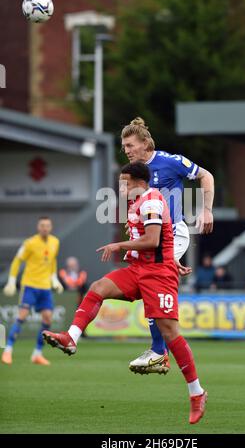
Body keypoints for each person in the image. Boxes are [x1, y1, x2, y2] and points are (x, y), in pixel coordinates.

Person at [43, 162, 208, 425]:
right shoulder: (136, 202)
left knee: (170, 332)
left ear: (139, 182)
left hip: (158, 274)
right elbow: (159, 241)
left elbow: (153, 240)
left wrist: (120, 245)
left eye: (124, 182)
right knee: (98, 287)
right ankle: (71, 338)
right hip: (138, 269)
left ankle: (196, 393)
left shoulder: (151, 200)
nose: (120, 187)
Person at [121, 117, 214, 374]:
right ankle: (160, 351)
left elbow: (206, 176)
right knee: (146, 284)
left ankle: (159, 351)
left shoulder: (171, 162)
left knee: (151, 281)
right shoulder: (130, 174)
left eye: (130, 145)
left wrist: (206, 210)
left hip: (174, 232)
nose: (126, 150)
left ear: (145, 143)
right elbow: (132, 207)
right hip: (152, 239)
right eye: (124, 146)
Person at [1, 217, 64, 365]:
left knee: (48, 318)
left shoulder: (55, 242)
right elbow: (17, 260)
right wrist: (11, 281)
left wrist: (54, 279)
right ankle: (7, 351)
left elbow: (53, 260)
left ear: (51, 227)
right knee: (21, 316)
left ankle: (37, 354)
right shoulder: (29, 243)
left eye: (47, 225)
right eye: (42, 225)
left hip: (45, 287)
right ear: (38, 227)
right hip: (29, 285)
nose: (45, 228)